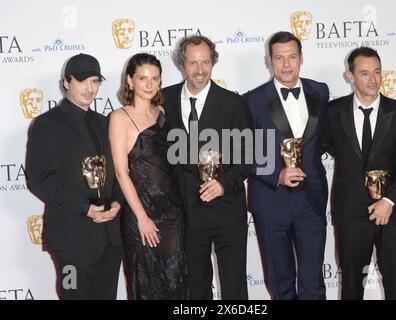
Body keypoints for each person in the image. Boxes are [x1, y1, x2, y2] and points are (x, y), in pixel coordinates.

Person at [321, 47, 396, 299]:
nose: (373, 79)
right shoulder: (333, 112)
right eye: (365, 73)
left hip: (391, 212)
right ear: (350, 76)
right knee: (351, 286)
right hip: (350, 212)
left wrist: (388, 200)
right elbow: (326, 146)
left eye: (377, 72)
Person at [27, 53, 123, 300]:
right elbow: (40, 179)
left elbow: (118, 173)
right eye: (82, 81)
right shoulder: (48, 124)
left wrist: (116, 202)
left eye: (94, 81)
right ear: (67, 82)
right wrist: (85, 208)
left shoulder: (105, 123)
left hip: (110, 240)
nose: (90, 88)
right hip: (72, 241)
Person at [163, 35, 252, 300]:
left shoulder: (233, 103)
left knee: (234, 286)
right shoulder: (163, 99)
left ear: (213, 62)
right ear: (182, 63)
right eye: (193, 63)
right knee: (196, 287)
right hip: (186, 212)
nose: (200, 70)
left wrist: (224, 184)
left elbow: (247, 156)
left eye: (205, 62)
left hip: (227, 209)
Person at [245, 31, 329, 300]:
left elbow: (329, 137)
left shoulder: (321, 91)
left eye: (292, 57)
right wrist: (276, 174)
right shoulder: (252, 100)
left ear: (301, 58)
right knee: (280, 284)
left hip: (311, 200)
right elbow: (243, 153)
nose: (286, 64)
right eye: (279, 58)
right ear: (269, 61)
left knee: (313, 281)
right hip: (271, 200)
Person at [109, 53, 189, 300]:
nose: (150, 84)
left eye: (155, 78)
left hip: (173, 212)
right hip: (141, 213)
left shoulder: (162, 112)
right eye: (143, 78)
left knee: (177, 283)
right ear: (130, 81)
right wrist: (142, 217)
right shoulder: (119, 118)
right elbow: (122, 174)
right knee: (147, 285)